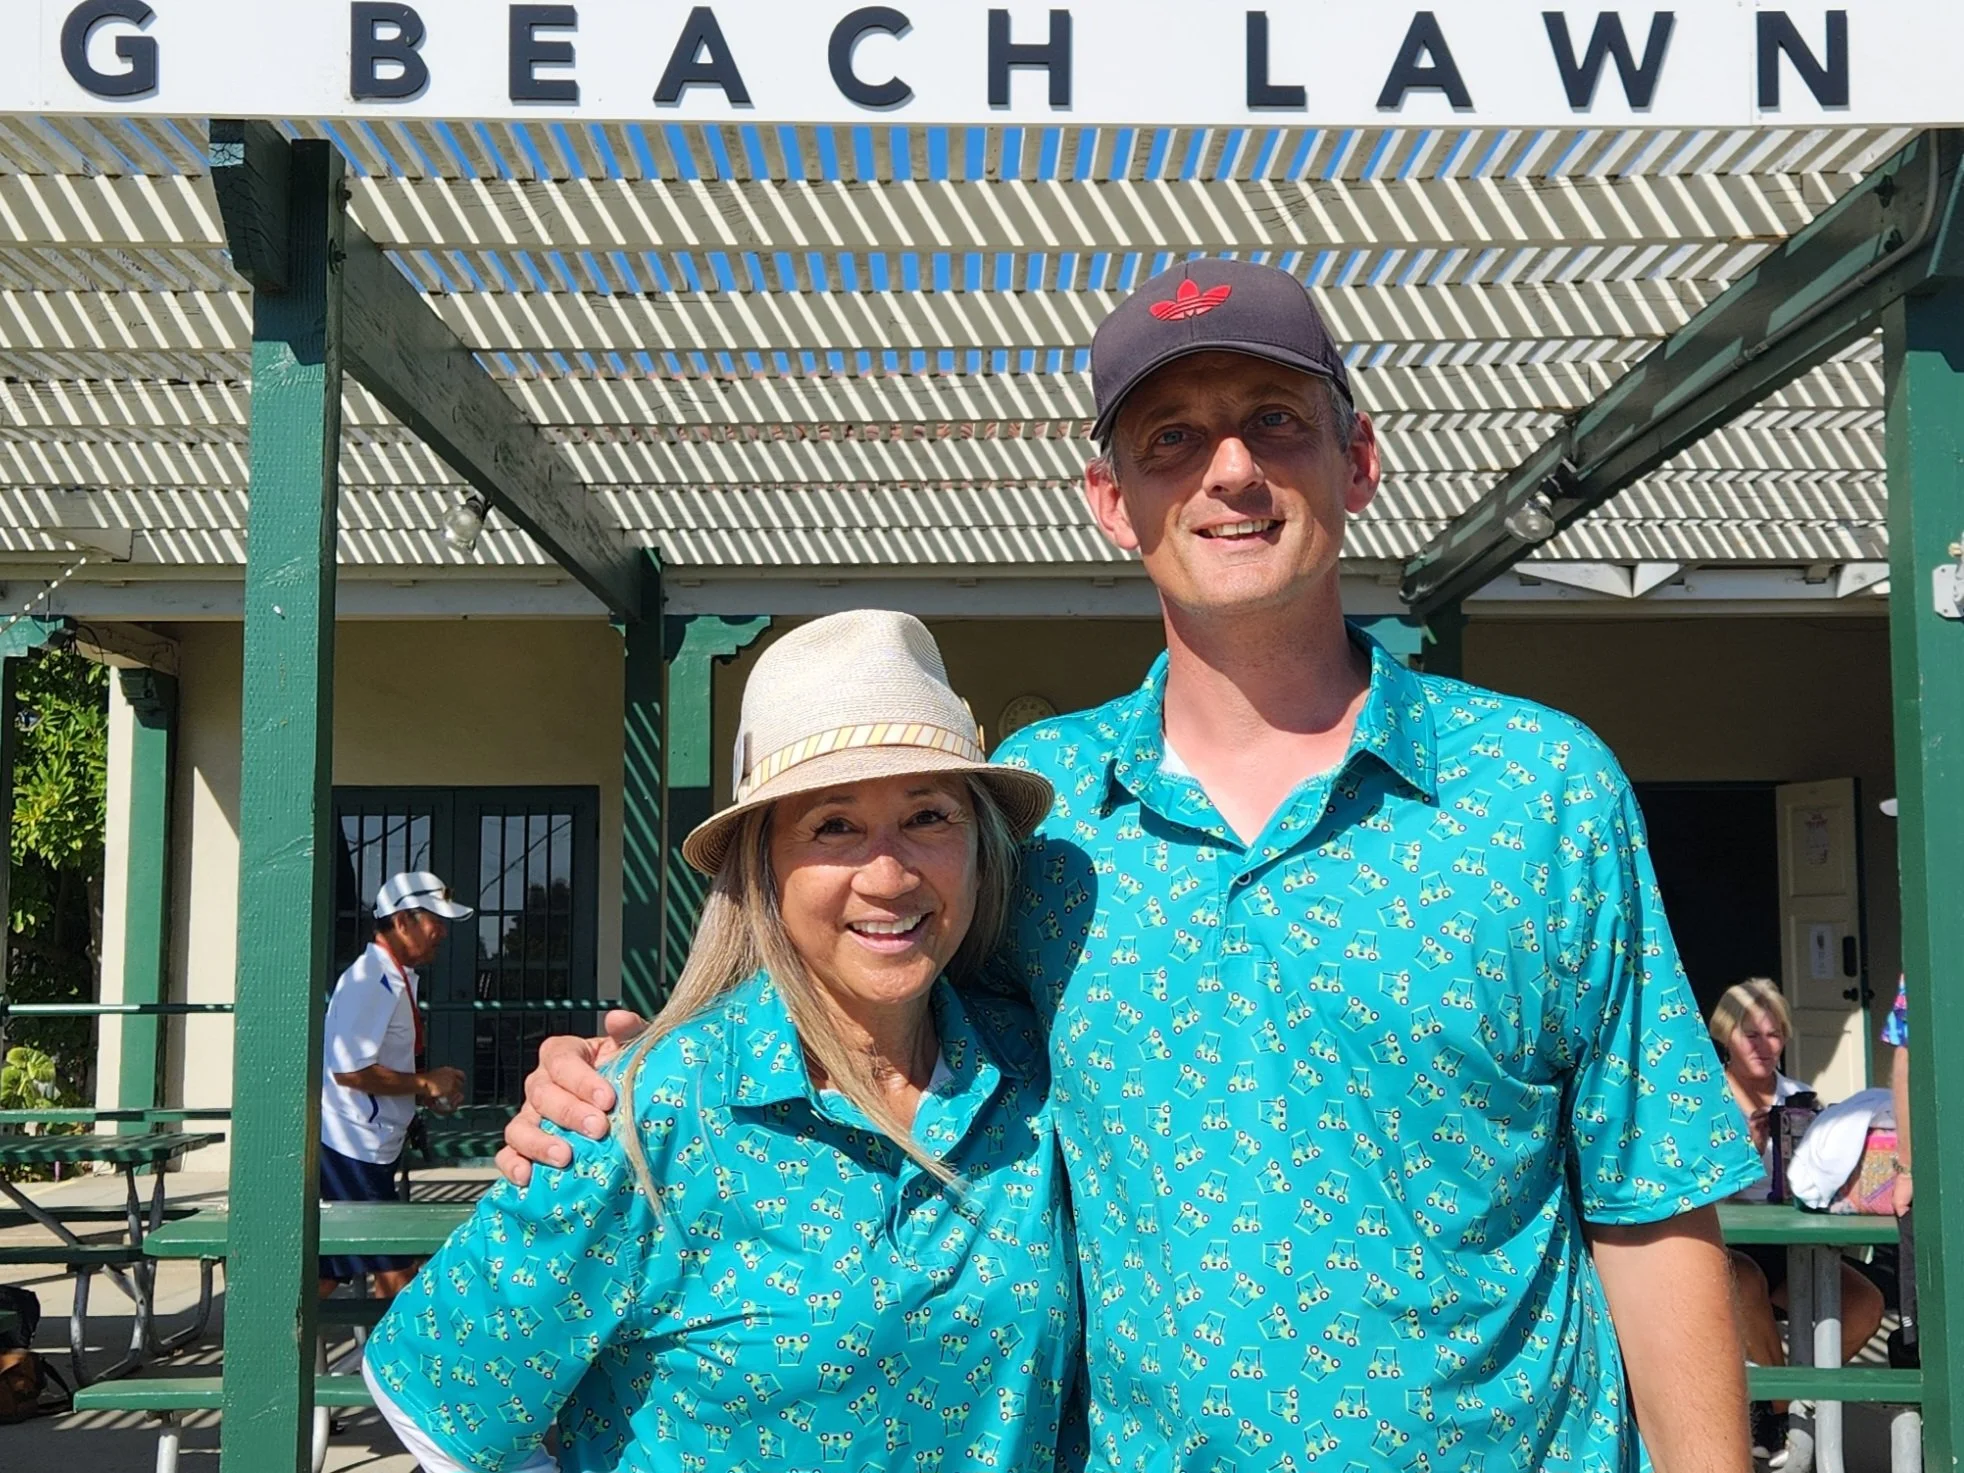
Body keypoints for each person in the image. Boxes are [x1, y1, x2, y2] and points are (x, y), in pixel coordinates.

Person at [504, 259, 1761, 1468]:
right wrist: (624, 1081)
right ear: (1111, 501)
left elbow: (1649, 1206)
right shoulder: (1040, 820)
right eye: (1169, 439)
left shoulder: (1538, 792)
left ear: (1358, 460)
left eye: (1275, 422)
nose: (1230, 472)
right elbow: (869, 1024)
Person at [363, 611, 1081, 1473]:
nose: (890, 874)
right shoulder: (643, 1109)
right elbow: (438, 1399)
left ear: (977, 848)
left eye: (929, 814)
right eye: (834, 826)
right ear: (760, 864)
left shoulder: (1036, 1073)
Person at [1710, 978, 1884, 1462]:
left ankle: (1774, 1408)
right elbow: (1693, 1189)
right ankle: (1785, 1413)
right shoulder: (1703, 1097)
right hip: (1727, 1243)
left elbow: (1817, 1181)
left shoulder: (1798, 1096)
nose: (1765, 1047)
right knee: (1742, 1282)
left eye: (1774, 1035)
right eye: (1752, 1035)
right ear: (1727, 1036)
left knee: (1865, 1305)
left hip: (1788, 1242)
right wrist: (1748, 1146)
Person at [318, 870, 472, 1298]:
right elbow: (349, 1070)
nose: (442, 931)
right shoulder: (372, 981)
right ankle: (417, 1362)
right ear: (402, 922)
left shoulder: (388, 977)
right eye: (433, 919)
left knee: (328, 1272)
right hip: (354, 1150)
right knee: (395, 1274)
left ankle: (268, 1351)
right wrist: (425, 1083)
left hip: (363, 1146)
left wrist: (426, 1089)